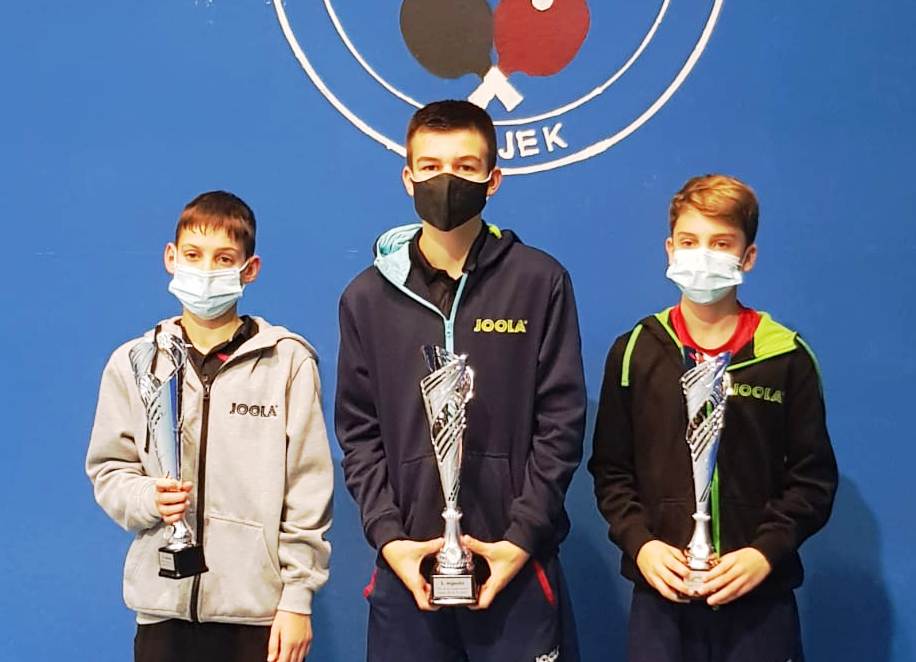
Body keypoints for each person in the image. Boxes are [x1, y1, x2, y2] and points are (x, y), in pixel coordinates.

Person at [335, 100, 587, 661]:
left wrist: (521, 538)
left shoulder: (539, 281)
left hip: (516, 566)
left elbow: (561, 423)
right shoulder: (366, 297)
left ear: (493, 179)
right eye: (430, 166)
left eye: (465, 167)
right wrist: (390, 538)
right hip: (409, 570)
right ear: (408, 178)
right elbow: (359, 433)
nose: (445, 180)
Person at [589, 174, 838, 661]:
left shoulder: (785, 355)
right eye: (689, 241)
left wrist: (765, 552)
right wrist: (641, 544)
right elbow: (611, 471)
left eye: (721, 243)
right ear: (669, 249)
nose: (702, 255)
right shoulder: (636, 351)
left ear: (748, 256)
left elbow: (813, 480)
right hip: (661, 599)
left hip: (759, 600)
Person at [86, 191, 333, 662]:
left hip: (257, 614)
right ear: (170, 258)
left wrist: (297, 598)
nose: (205, 271)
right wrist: (147, 498)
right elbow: (109, 470)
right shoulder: (135, 362)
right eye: (193, 255)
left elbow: (308, 488)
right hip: (162, 608)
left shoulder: (288, 362)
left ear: (249, 269)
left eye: (223, 259)